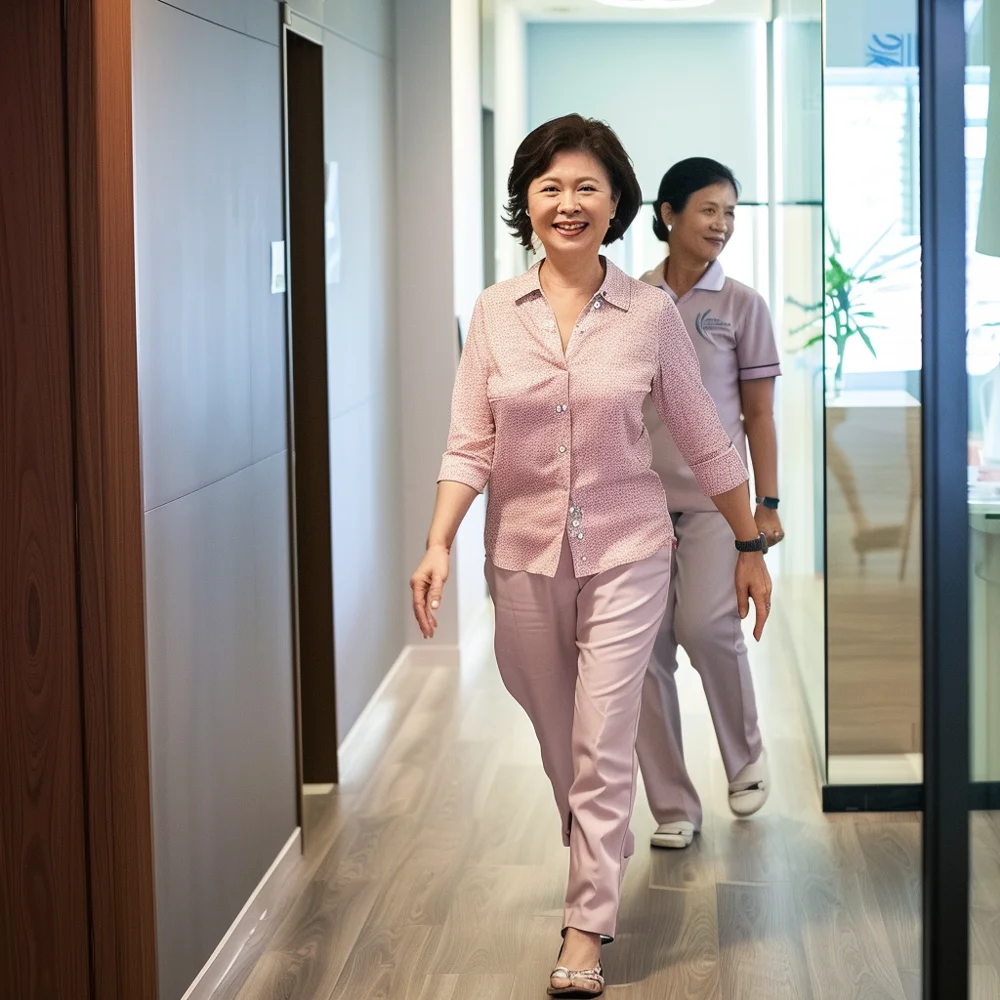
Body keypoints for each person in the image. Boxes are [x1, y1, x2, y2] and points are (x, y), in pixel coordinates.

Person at [409, 117, 772, 998]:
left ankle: (584, 928)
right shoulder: (496, 312)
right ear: (526, 202)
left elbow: (708, 437)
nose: (568, 204)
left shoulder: (649, 313)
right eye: (550, 188)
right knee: (560, 739)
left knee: (604, 740)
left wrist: (752, 540)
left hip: (628, 548)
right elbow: (469, 441)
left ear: (617, 205)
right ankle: (595, 851)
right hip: (523, 556)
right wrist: (438, 541)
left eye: (587, 189)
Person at [635, 158, 783, 852]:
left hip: (716, 507)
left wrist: (767, 504)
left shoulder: (743, 306)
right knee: (638, 654)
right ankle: (671, 803)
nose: (722, 224)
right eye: (709, 210)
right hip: (634, 506)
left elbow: (758, 414)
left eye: (730, 212)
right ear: (668, 213)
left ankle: (744, 752)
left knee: (704, 626)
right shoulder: (631, 300)